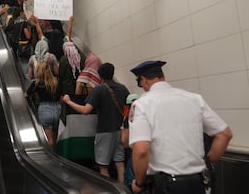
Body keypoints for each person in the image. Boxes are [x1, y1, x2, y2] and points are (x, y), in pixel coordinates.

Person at [128, 60, 233, 194]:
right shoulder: (194, 98)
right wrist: (208, 162)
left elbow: (141, 150)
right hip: (201, 182)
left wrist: (139, 183)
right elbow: (225, 134)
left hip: (168, 186)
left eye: (140, 83)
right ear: (162, 77)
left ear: (143, 80)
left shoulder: (142, 104)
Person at [63, 63, 129, 182]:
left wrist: (69, 102)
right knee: (119, 164)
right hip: (121, 132)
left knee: (103, 166)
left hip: (104, 132)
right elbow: (128, 108)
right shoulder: (123, 88)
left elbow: (85, 110)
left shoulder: (99, 90)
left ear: (100, 76)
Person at [25, 61, 62, 150]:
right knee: (55, 139)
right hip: (58, 110)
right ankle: (58, 158)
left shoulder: (36, 83)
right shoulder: (56, 82)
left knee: (49, 140)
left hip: (44, 110)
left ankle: (52, 160)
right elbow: (61, 97)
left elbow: (26, 95)